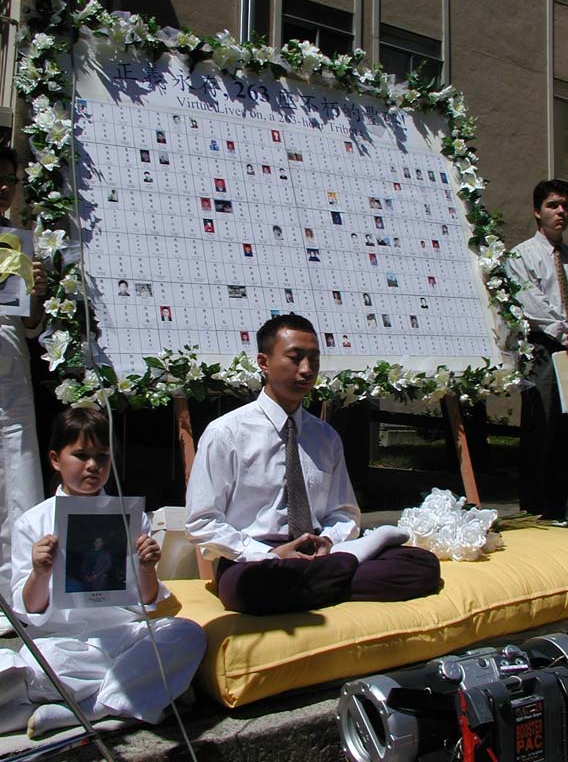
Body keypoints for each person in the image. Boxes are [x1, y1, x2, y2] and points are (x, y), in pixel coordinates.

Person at [185, 315, 440, 615]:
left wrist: (328, 541)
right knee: (248, 588)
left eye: (314, 359)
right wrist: (270, 554)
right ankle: (343, 568)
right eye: (295, 358)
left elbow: (344, 512)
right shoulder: (226, 433)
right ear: (264, 362)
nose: (306, 370)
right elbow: (202, 521)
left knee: (421, 565)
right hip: (256, 559)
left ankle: (321, 577)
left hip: (320, 550)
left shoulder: (325, 436)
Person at [0, 408, 205, 737]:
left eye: (102, 457)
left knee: (188, 635)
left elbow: (147, 601)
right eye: (81, 456)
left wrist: (147, 567)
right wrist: (40, 572)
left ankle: (87, 710)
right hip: (66, 644)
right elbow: (29, 612)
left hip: (125, 637)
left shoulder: (131, 517)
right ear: (55, 460)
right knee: (44, 663)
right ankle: (136, 695)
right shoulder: (33, 523)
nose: (93, 466)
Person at [506, 180, 568, 521]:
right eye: (553, 205)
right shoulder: (522, 256)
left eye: (565, 206)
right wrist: (566, 332)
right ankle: (536, 511)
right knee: (540, 431)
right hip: (544, 350)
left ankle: (561, 511)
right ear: (537, 211)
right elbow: (531, 303)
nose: (561, 211)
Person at [0, 148, 47, 636]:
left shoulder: (18, 242)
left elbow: (29, 324)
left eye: (10, 180)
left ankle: (18, 596)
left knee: (17, 474)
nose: (4, 188)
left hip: (11, 375)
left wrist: (36, 294)